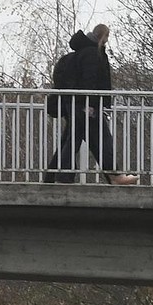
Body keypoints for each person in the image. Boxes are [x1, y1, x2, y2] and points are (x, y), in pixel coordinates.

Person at [44, 24, 138, 185]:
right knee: (102, 139)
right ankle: (113, 176)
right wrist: (91, 105)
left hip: (75, 103)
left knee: (72, 140)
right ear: (103, 36)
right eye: (107, 37)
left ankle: (55, 177)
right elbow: (90, 81)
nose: (107, 41)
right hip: (86, 105)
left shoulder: (82, 52)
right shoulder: (92, 54)